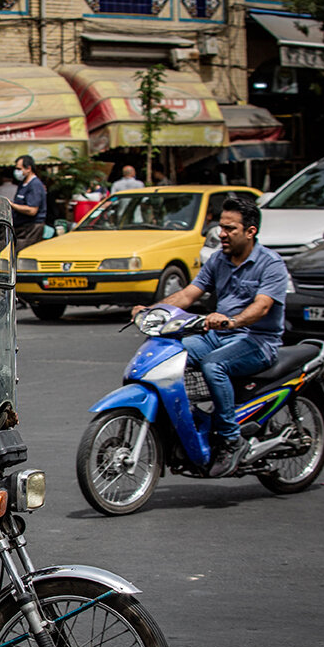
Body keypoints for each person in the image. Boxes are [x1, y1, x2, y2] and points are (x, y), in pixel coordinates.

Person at [131, 196, 287, 478]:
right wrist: (152, 310)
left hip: (257, 341)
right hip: (219, 335)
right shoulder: (219, 259)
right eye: (221, 227)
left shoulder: (271, 264)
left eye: (230, 229)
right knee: (169, 354)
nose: (222, 234)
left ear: (250, 232)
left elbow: (262, 306)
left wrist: (233, 320)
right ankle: (188, 424)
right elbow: (189, 294)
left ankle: (231, 439)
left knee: (214, 365)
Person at [7, 155, 47, 250]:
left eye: (19, 169)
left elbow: (32, 210)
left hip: (31, 228)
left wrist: (12, 205)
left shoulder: (35, 185)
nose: (17, 172)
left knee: (22, 254)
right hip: (21, 227)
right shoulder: (23, 184)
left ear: (28, 168)